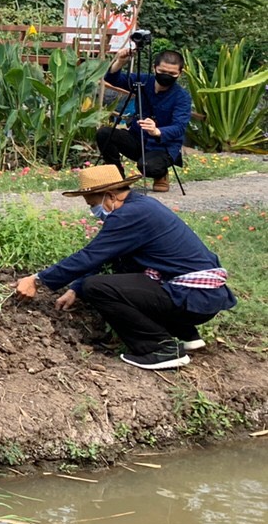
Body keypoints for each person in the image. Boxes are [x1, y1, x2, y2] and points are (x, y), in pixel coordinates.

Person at [15, 164, 235, 370]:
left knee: (97, 287)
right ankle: (187, 335)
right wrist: (75, 288)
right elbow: (108, 257)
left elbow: (91, 255)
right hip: (202, 297)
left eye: (92, 204)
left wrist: (37, 279)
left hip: (192, 296)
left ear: (110, 196)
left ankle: (160, 349)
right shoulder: (141, 207)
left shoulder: (130, 214)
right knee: (122, 279)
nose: (93, 211)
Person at [96, 40, 190, 192]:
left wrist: (157, 131)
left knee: (148, 167)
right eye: (162, 71)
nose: (166, 76)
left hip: (162, 147)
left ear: (180, 73)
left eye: (172, 74)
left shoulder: (182, 96)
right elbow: (113, 79)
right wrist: (120, 61)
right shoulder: (143, 81)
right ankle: (117, 177)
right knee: (104, 133)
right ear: (154, 68)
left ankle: (161, 173)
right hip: (137, 139)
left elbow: (179, 127)